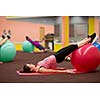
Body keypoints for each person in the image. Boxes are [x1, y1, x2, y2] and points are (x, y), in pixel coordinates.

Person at [21, 33, 97, 73]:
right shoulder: (40, 69)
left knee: (72, 47)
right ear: (31, 69)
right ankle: (89, 39)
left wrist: (59, 68)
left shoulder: (38, 65)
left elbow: (50, 66)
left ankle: (87, 39)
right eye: (30, 65)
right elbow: (51, 71)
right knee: (73, 47)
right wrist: (63, 71)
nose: (31, 64)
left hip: (55, 55)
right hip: (57, 57)